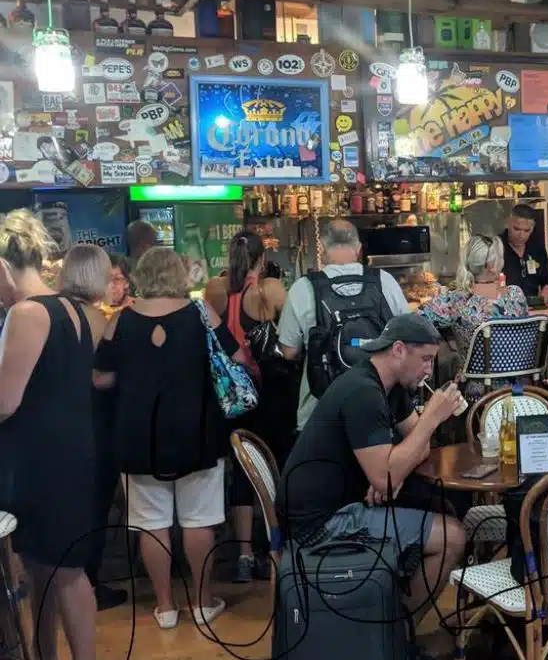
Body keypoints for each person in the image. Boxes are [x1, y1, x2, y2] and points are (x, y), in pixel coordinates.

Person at [276, 315, 465, 660]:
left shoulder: (389, 385)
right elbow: (391, 472)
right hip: (321, 524)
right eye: (425, 359)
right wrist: (429, 421)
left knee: (441, 508)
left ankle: (389, 628)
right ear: (399, 350)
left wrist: (390, 469)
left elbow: (414, 452)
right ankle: (394, 641)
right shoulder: (363, 392)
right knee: (453, 537)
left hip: (340, 502)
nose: (429, 370)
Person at [95, 247, 245, 631]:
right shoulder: (201, 314)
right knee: (199, 519)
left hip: (139, 435)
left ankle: (165, 607)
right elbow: (238, 359)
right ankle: (203, 603)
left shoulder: (122, 319)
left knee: (150, 522)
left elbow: (100, 377)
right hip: (197, 429)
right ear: (179, 275)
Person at [0, 211, 108, 660]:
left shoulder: (28, 313)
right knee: (47, 566)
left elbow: (6, 401)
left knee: (63, 570)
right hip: (66, 451)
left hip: (43, 458)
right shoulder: (72, 308)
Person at [205, 230, 293, 584]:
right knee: (277, 466)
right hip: (269, 390)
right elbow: (291, 333)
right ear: (262, 258)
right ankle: (277, 548)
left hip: (232, 394)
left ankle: (243, 555)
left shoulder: (215, 289)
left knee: (243, 470)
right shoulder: (269, 289)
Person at [279, 219, 408, 431]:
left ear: (322, 248)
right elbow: (407, 334)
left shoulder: (303, 288)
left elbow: (289, 352)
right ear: (359, 249)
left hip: (321, 413)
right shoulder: (384, 281)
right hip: (379, 406)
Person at [59, 243, 129, 613]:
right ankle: (89, 585)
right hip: (96, 426)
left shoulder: (52, 315)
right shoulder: (100, 321)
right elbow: (102, 377)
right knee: (95, 508)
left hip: (60, 427)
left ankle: (69, 585)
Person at [420, 234, 529, 399]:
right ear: (491, 266)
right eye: (501, 257)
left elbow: (416, 320)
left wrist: (448, 335)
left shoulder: (455, 300)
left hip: (477, 394)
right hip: (519, 390)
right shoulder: (516, 295)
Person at [501, 205, 548, 303]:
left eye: (526, 231)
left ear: (532, 229)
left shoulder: (537, 249)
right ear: (508, 223)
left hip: (531, 307)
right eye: (516, 229)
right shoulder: (497, 247)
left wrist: (540, 302)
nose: (521, 235)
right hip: (505, 306)